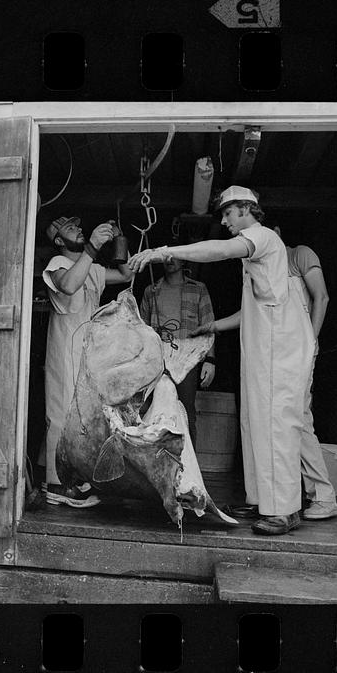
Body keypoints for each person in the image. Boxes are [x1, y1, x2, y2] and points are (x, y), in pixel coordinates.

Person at [129, 186, 314, 536]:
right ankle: (264, 501)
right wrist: (214, 325)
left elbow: (220, 250)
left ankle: (285, 510)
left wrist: (161, 250)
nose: (225, 221)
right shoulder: (259, 256)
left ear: (246, 209)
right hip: (266, 346)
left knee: (276, 424)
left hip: (281, 348)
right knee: (255, 422)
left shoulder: (260, 237)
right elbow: (254, 309)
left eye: (228, 213)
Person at [41, 215, 133, 507]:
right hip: (65, 346)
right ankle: (55, 485)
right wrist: (92, 247)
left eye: (79, 227)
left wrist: (119, 241)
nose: (78, 229)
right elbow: (68, 286)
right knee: (60, 412)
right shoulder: (57, 264)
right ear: (58, 241)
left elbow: (127, 274)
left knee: (81, 416)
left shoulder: (91, 268)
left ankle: (71, 478)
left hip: (87, 348)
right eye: (69, 228)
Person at [277, 228, 337, 519]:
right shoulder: (268, 269)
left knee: (299, 422)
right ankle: (303, 496)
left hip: (299, 352)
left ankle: (324, 497)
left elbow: (322, 298)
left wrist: (310, 342)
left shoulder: (300, 254)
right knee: (288, 424)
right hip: (281, 356)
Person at [139, 255, 216, 444]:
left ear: (184, 261)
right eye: (165, 258)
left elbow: (209, 326)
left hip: (186, 360)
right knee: (148, 410)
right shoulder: (151, 290)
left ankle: (189, 468)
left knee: (186, 411)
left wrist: (210, 360)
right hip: (156, 360)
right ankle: (152, 465)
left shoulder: (198, 289)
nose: (169, 261)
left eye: (174, 257)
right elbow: (141, 329)